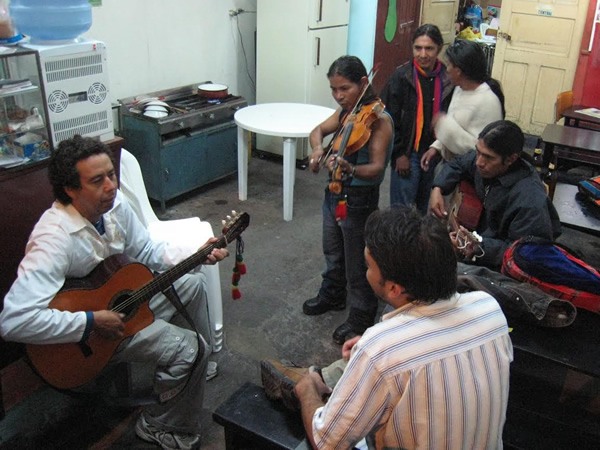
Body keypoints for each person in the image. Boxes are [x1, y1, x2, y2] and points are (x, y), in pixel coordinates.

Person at [0, 136, 228, 450]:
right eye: (97, 180)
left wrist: (194, 253)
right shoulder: (52, 238)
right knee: (189, 349)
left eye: (112, 174)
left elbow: (146, 249)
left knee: (191, 283)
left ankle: (190, 374)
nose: (110, 186)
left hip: (116, 314)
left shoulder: (113, 204)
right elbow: (13, 321)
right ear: (70, 189)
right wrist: (91, 322)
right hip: (87, 341)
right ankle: (160, 425)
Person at [263, 206, 513, 449]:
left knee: (313, 422)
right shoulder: (489, 308)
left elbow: (327, 443)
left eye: (368, 266)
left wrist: (307, 391)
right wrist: (381, 345)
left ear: (394, 288)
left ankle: (309, 382)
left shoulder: (382, 348)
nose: (365, 272)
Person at [302, 55, 393, 345]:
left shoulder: (378, 120)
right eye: (333, 89)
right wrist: (318, 150)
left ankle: (361, 316)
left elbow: (377, 168)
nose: (339, 96)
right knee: (332, 251)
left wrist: (350, 167)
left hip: (359, 199)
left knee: (358, 262)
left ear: (363, 83)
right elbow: (317, 131)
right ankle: (332, 295)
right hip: (333, 193)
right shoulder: (346, 113)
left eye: (344, 89)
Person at [430, 120, 562, 270]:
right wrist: (438, 188)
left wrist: (478, 246)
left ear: (511, 159)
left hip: (497, 268)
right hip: (480, 235)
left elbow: (525, 254)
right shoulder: (485, 162)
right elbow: (459, 163)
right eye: (478, 152)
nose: (479, 162)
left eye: (488, 157)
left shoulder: (530, 201)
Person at [380, 23, 453, 214]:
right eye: (417, 48)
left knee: (424, 208)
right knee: (401, 210)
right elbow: (388, 118)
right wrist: (398, 154)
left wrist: (438, 148)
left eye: (429, 48)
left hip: (435, 152)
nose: (422, 54)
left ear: (439, 49)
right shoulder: (401, 76)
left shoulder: (448, 79)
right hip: (407, 153)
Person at [419, 38, 504, 169]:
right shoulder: (459, 88)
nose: (446, 70)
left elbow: (479, 148)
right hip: (452, 165)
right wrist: (436, 147)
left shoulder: (488, 101)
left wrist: (443, 124)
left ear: (458, 71)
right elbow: (457, 124)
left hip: (469, 172)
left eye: (448, 65)